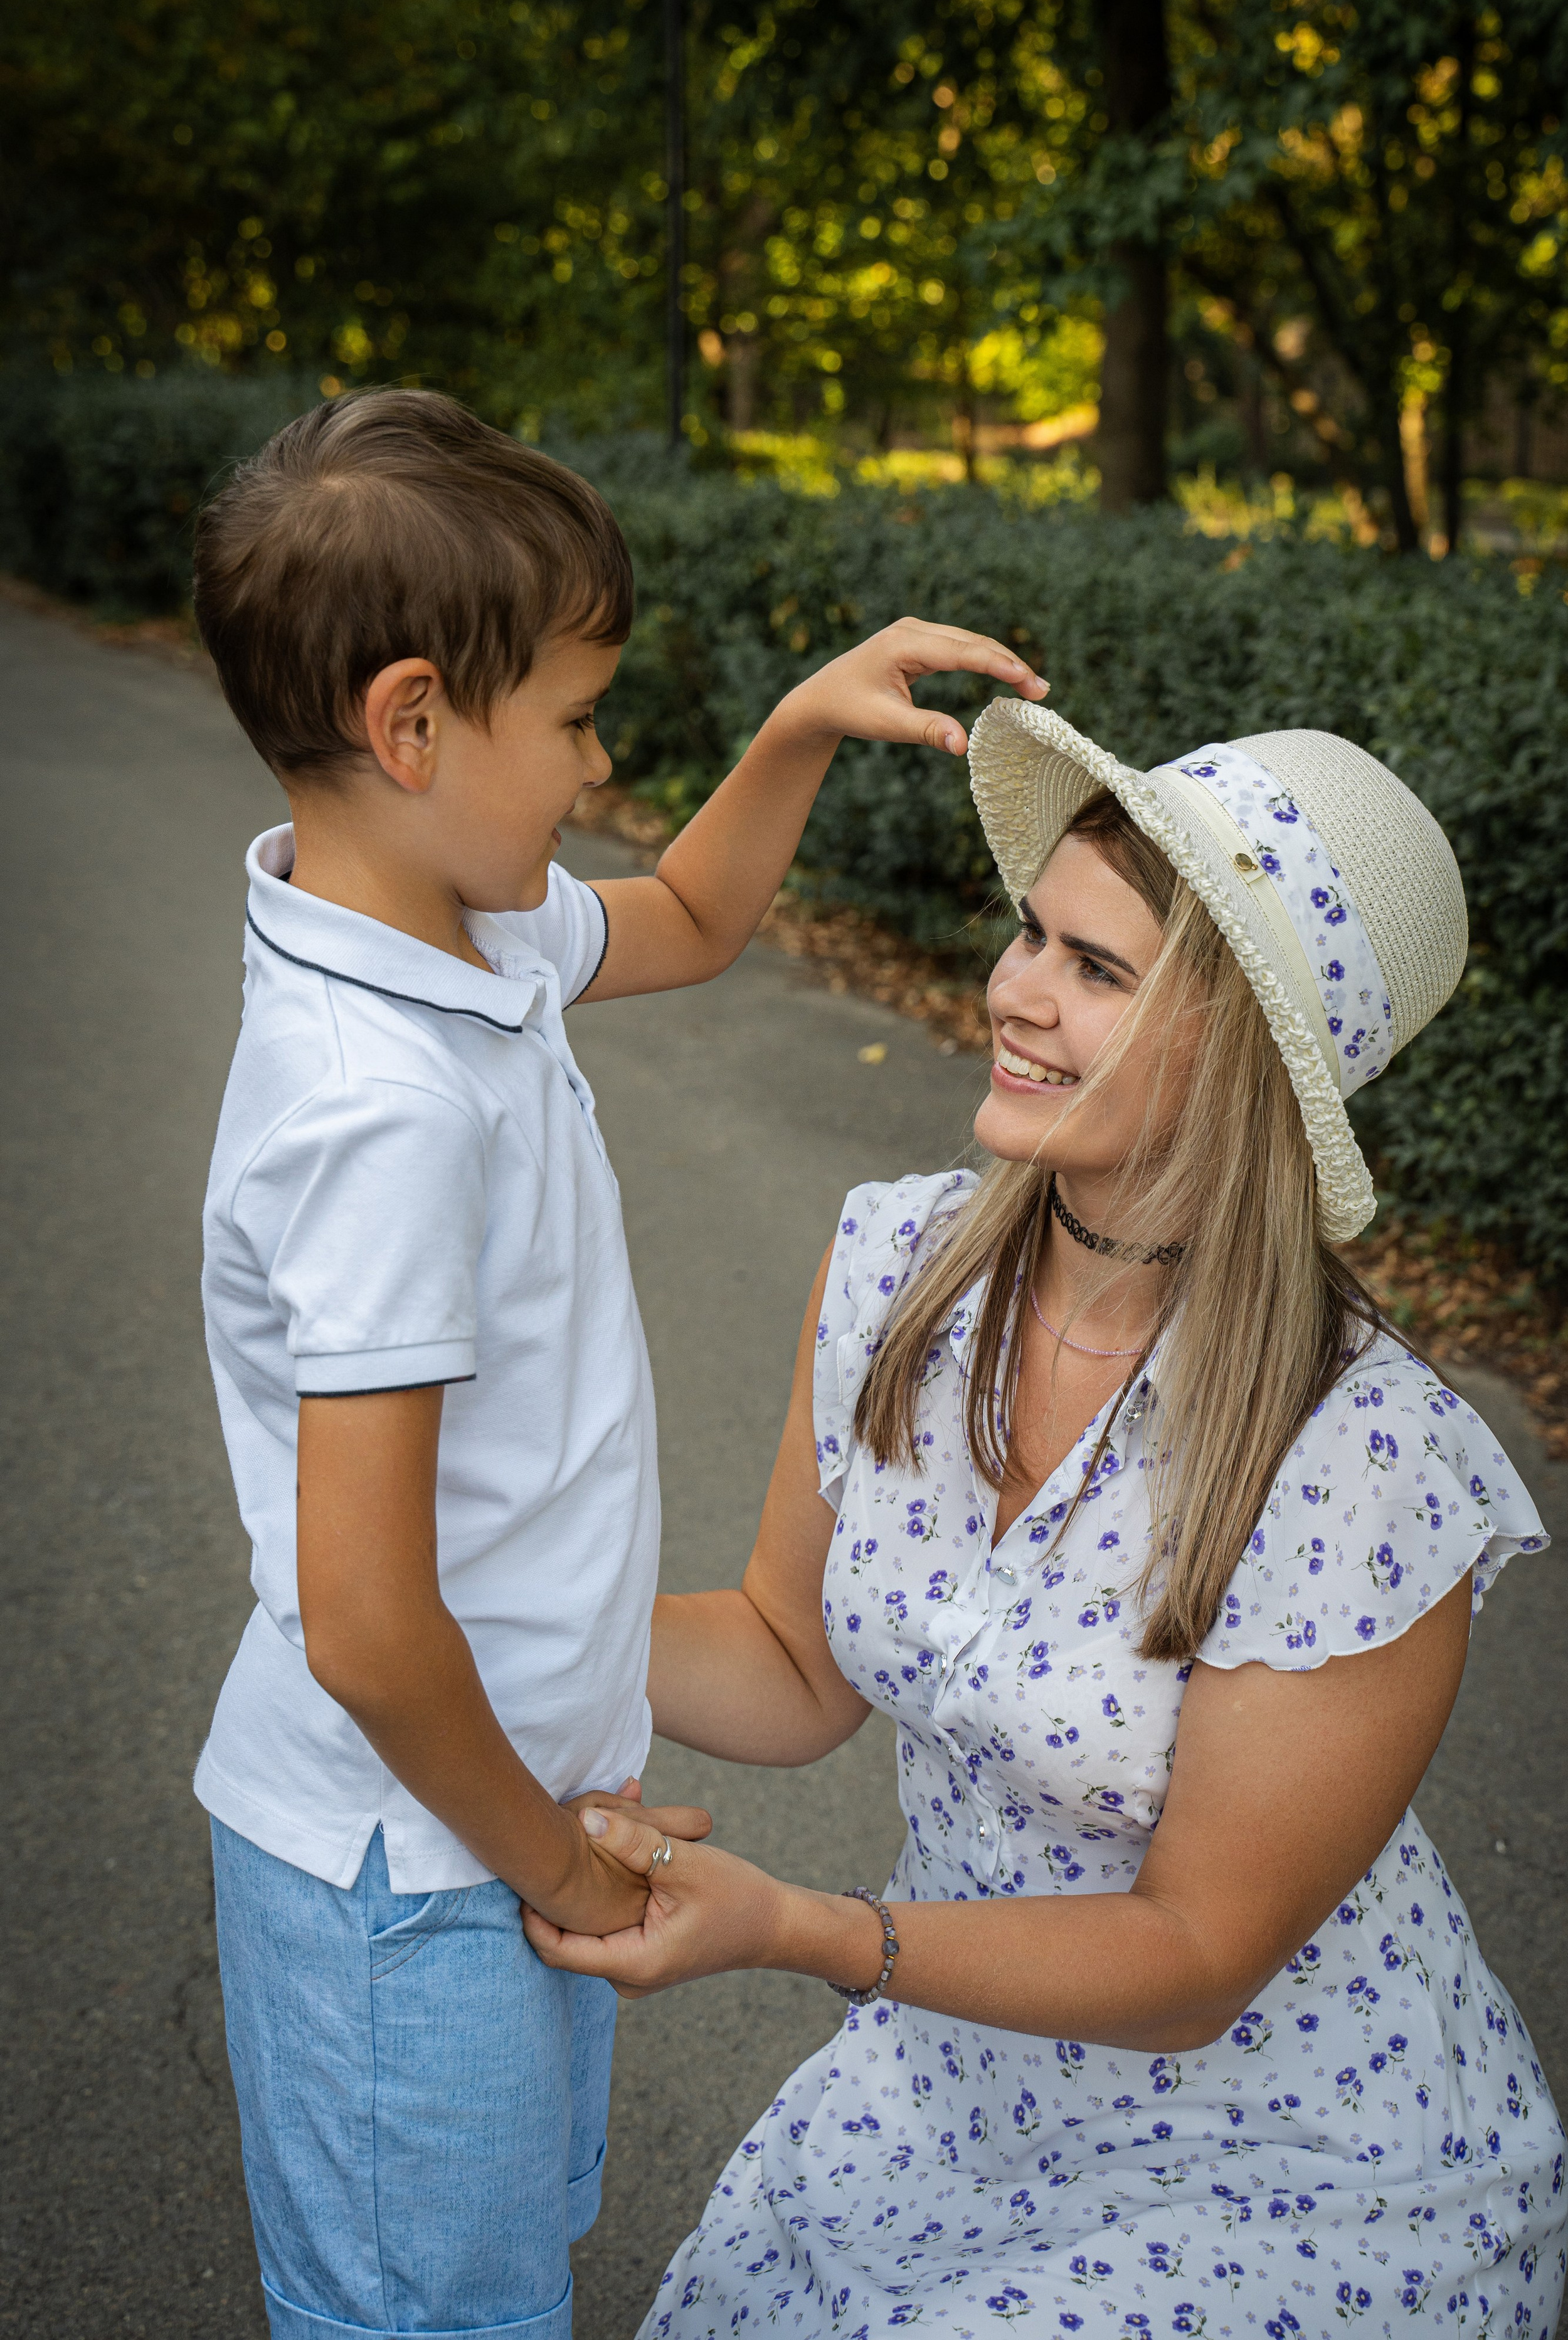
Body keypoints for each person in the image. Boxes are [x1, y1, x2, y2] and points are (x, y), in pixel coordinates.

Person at [526, 702, 1568, 2338]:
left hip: (1282, 2173)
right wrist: (477, 1617)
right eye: (1034, 932)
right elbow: (793, 1660)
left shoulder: (1362, 1458)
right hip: (953, 2104)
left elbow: (1197, 1948)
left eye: (1098, 969)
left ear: (1240, 1052)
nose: (1014, 991)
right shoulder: (897, 1264)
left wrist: (799, 1930)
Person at [188, 386, 1047, 2340]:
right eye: (575, 718)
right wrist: (552, 1875)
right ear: (413, 724)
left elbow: (690, 915)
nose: (597, 761)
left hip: (492, 1822)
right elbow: (366, 1623)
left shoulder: (450, 932)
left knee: (494, 2284)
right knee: (433, 2315)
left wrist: (801, 725)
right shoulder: (380, 1102)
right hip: (416, 1877)